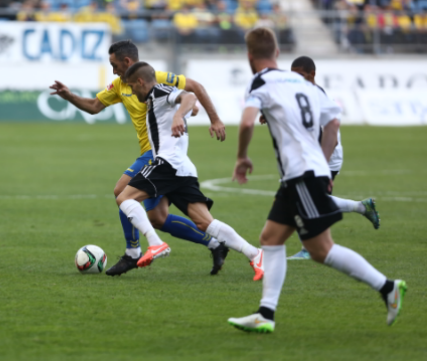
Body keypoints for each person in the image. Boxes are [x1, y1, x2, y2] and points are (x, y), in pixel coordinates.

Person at [227, 27, 406, 333]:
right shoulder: (300, 81)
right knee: (270, 238)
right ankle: (265, 314)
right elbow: (333, 123)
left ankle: (387, 287)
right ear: (278, 53)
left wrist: (242, 156)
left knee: (321, 250)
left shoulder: (261, 81)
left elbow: (246, 121)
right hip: (303, 174)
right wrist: (322, 165)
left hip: (301, 174)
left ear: (249, 56)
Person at [50, 41, 263, 279]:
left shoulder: (156, 79)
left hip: (160, 156)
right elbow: (94, 105)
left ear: (128, 63)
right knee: (158, 218)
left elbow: (193, 90)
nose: (113, 71)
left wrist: (208, 117)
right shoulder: (120, 85)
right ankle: (218, 245)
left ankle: (134, 251)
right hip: (167, 158)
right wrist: (68, 95)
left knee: (122, 193)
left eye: (114, 65)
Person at [115, 62, 263, 276]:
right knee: (206, 223)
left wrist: (179, 114)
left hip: (167, 164)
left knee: (124, 197)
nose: (131, 91)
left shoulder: (158, 90)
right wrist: (182, 111)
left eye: (132, 86)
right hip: (182, 168)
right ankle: (255, 254)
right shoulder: (157, 98)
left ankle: (155, 243)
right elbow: (185, 102)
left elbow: (190, 96)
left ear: (140, 82)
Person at [268, 56, 380, 260]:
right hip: (314, 155)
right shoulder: (301, 92)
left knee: (302, 197)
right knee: (308, 198)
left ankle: (308, 249)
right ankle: (361, 207)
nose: (296, 79)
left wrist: (317, 161)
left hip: (326, 155)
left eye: (300, 75)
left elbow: (331, 135)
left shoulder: (316, 94)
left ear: (312, 75)